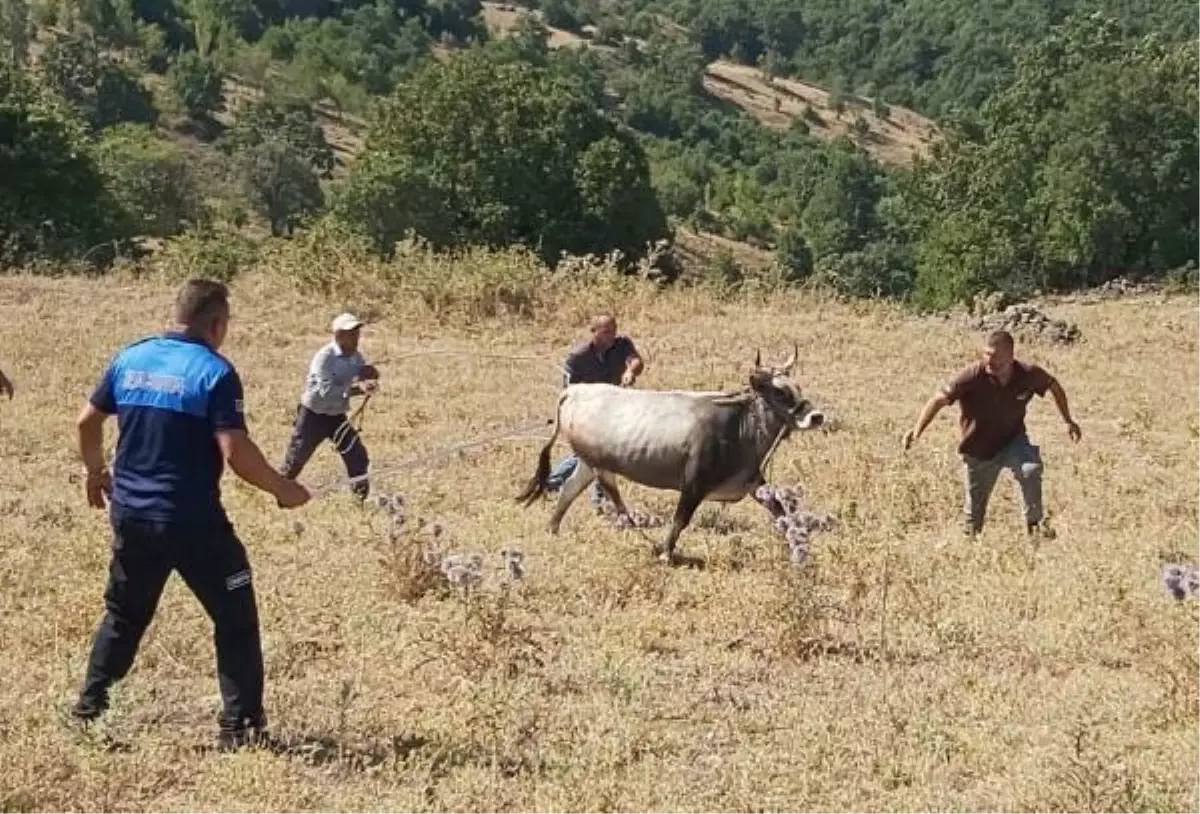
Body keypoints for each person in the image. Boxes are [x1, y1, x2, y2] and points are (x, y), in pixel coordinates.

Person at [71, 279, 311, 751]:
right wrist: (284, 489)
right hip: (192, 522)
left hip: (132, 515)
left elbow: (86, 421)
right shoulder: (215, 372)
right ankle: (240, 729)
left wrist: (96, 471)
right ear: (217, 324)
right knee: (235, 617)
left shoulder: (131, 358)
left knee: (124, 616)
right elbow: (236, 451)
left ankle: (90, 712)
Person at [903, 329, 1081, 539]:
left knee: (1031, 470)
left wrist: (1068, 420)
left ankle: (1036, 528)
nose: (989, 363)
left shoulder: (1028, 374)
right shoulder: (970, 376)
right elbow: (938, 400)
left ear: (1010, 357)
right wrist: (917, 431)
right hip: (979, 449)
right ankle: (970, 547)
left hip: (1013, 440)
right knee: (973, 519)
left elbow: (1054, 386)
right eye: (986, 355)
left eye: (996, 359)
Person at [545, 314, 645, 503]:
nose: (612, 335)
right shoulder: (578, 356)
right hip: (588, 413)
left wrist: (631, 370)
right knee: (597, 454)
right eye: (606, 332)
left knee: (593, 454)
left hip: (614, 410)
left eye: (614, 330)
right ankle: (599, 498)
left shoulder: (622, 345)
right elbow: (569, 391)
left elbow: (635, 360)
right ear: (593, 332)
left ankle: (554, 482)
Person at [280, 313, 380, 501]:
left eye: (357, 334)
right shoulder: (324, 357)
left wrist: (370, 377)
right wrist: (358, 389)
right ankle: (279, 494)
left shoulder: (356, 357)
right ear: (338, 335)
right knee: (295, 460)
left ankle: (360, 500)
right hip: (313, 415)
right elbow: (326, 391)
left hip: (336, 416)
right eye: (351, 334)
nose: (356, 338)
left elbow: (361, 377)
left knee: (357, 455)